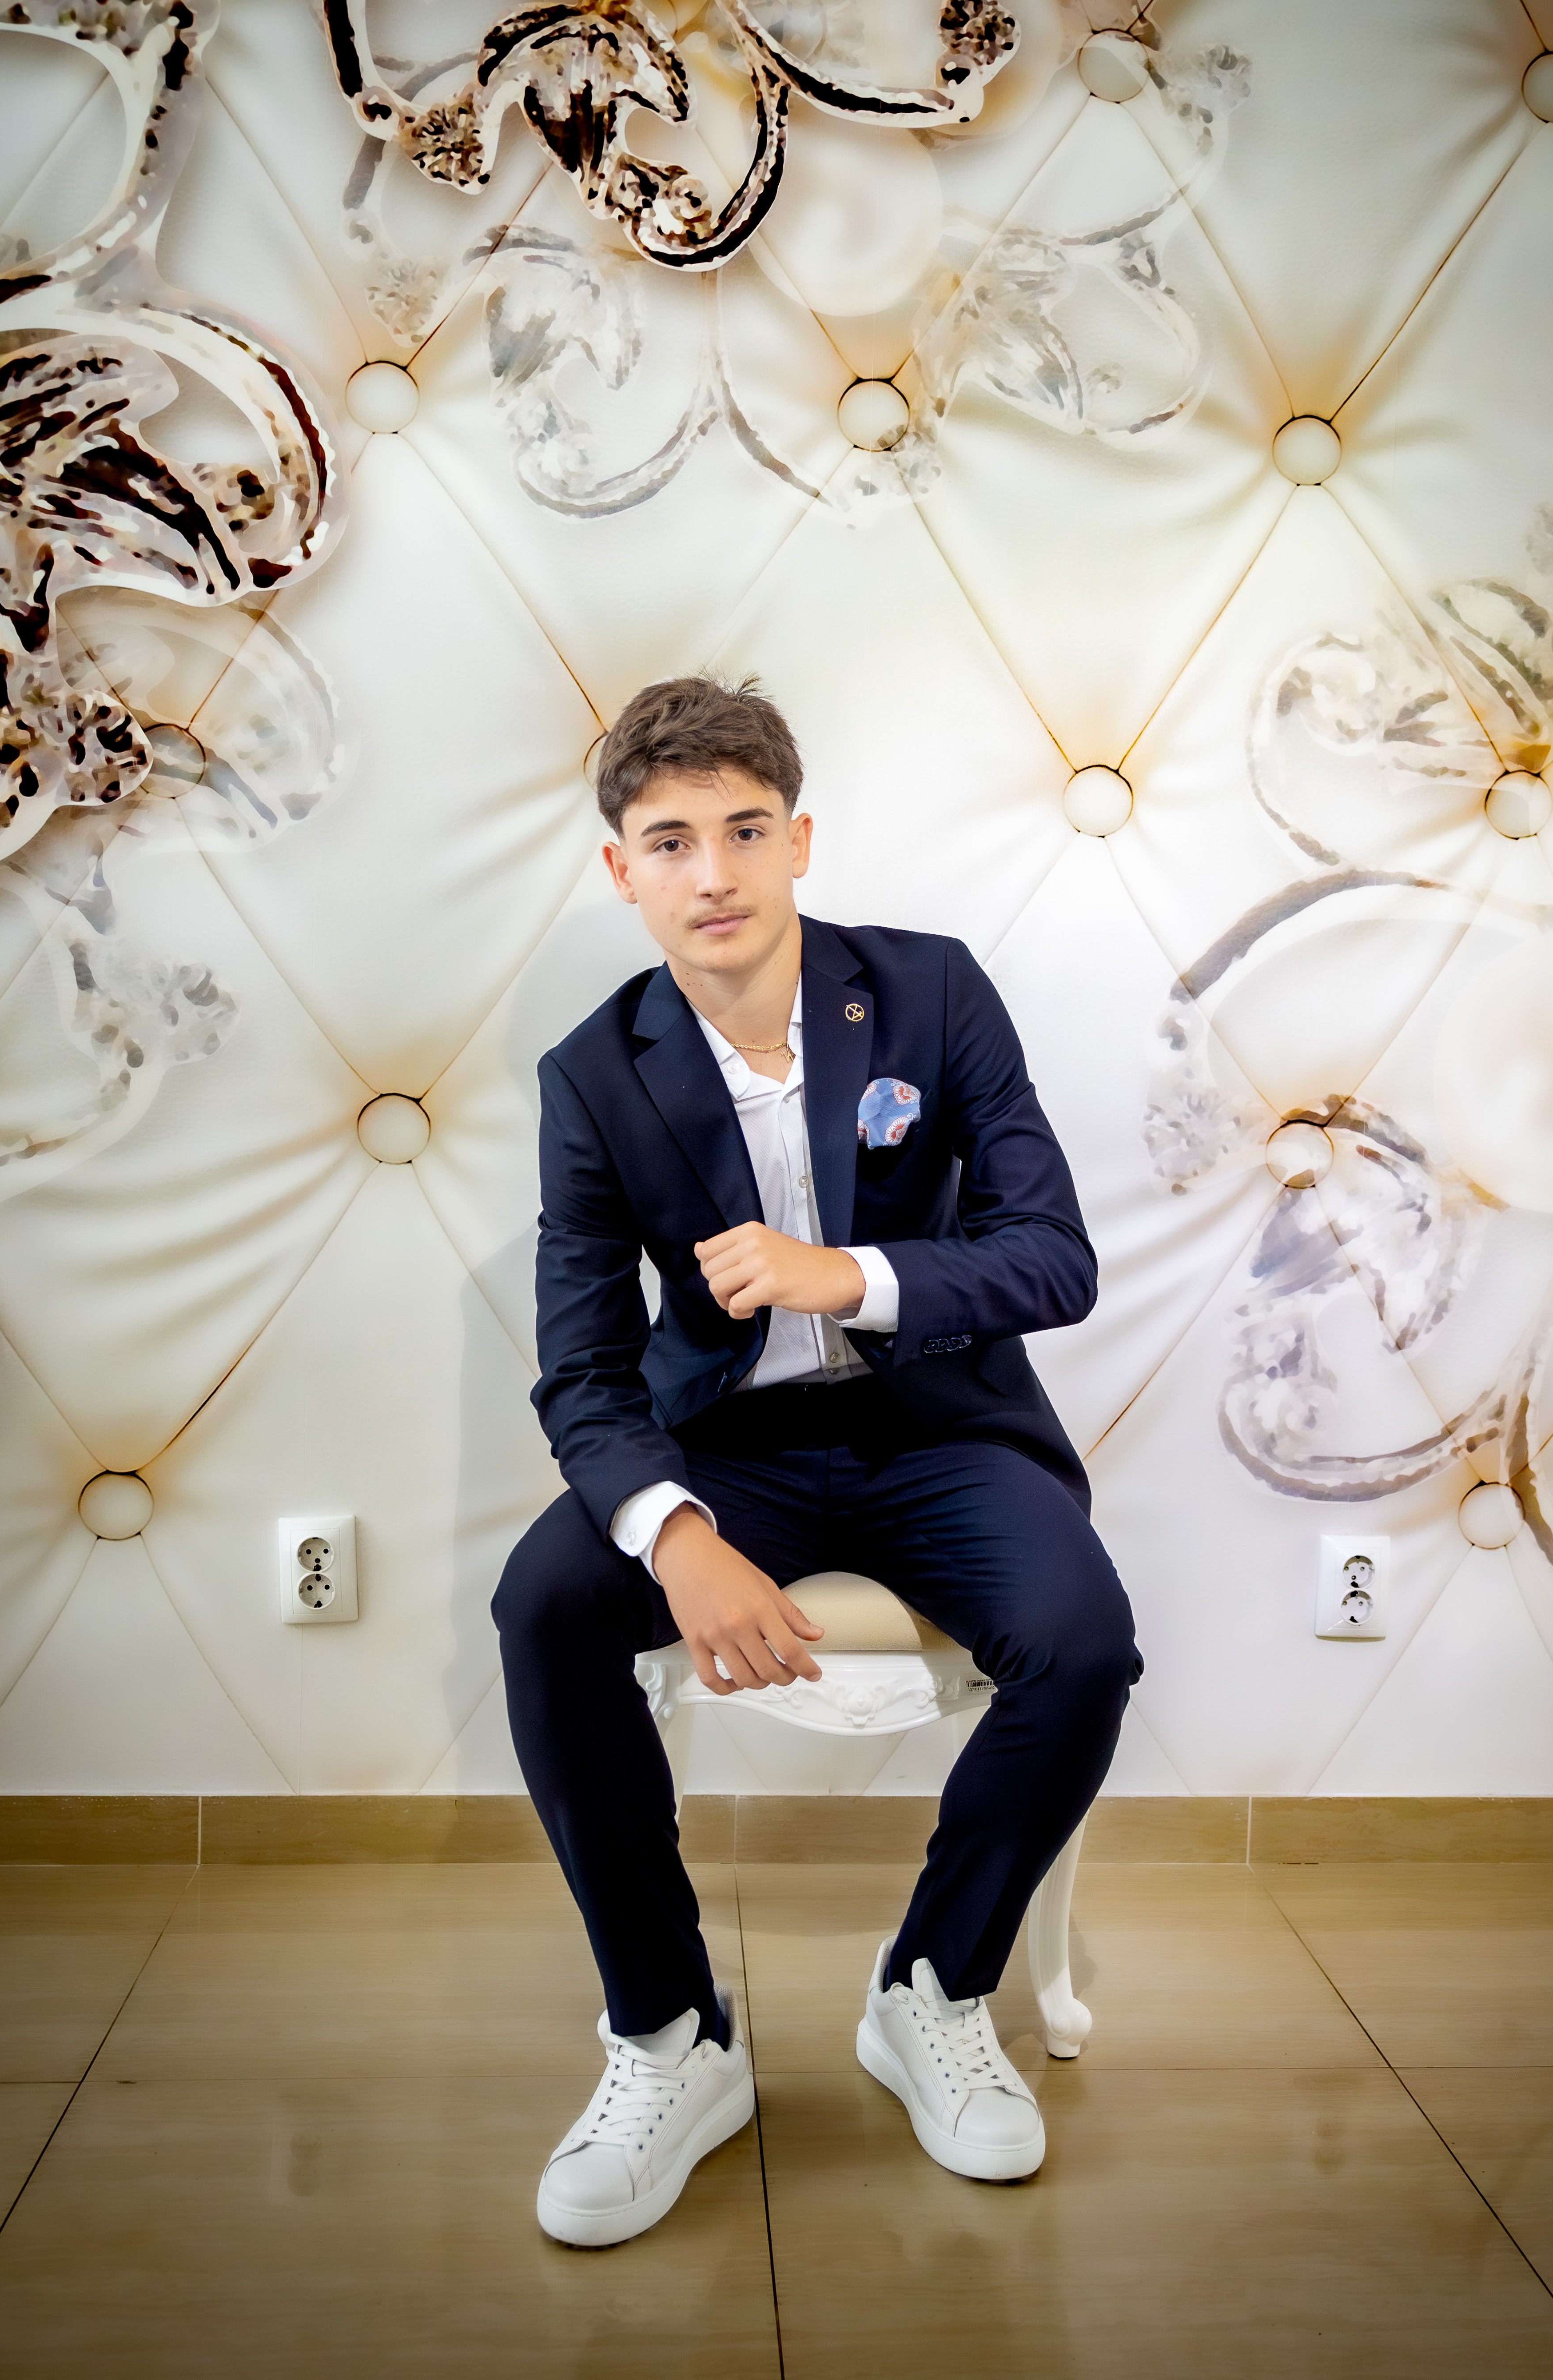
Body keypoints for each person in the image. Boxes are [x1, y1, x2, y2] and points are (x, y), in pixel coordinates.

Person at [493, 675, 1141, 2248]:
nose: (712, 872)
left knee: (1084, 1645)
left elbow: (1055, 1257)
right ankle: (669, 2034)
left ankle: (934, 1988)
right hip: (726, 1452)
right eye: (670, 842)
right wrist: (677, 1536)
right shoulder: (593, 1073)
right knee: (545, 1606)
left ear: (798, 841)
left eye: (744, 830)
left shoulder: (930, 991)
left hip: (941, 1431)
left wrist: (843, 1274)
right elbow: (583, 1364)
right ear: (623, 870)